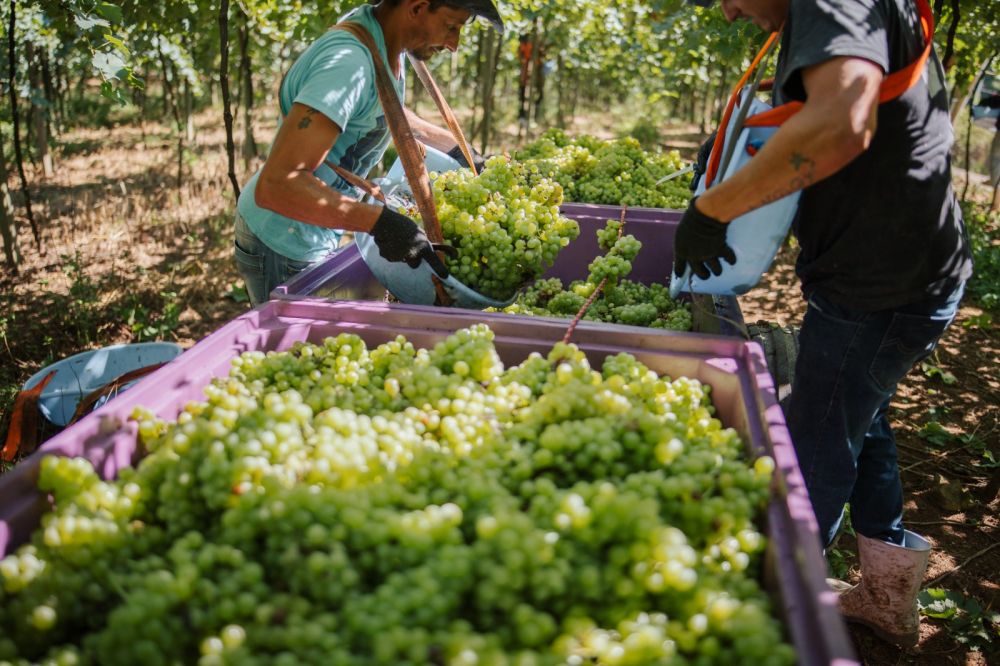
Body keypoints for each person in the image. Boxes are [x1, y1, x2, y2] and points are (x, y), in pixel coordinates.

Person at [674, 0, 973, 648]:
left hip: (881, 288)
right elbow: (829, 107)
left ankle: (772, 622)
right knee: (861, 415)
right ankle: (886, 593)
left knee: (814, 441)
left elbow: (843, 120)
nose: (725, 12)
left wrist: (715, 208)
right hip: (902, 276)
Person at [234, 0, 503, 306]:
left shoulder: (381, 41)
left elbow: (382, 112)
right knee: (291, 350)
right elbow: (278, 185)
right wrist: (381, 223)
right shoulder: (348, 65)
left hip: (312, 228)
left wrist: (462, 151)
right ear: (416, 8)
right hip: (282, 237)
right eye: (451, 26)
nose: (454, 44)